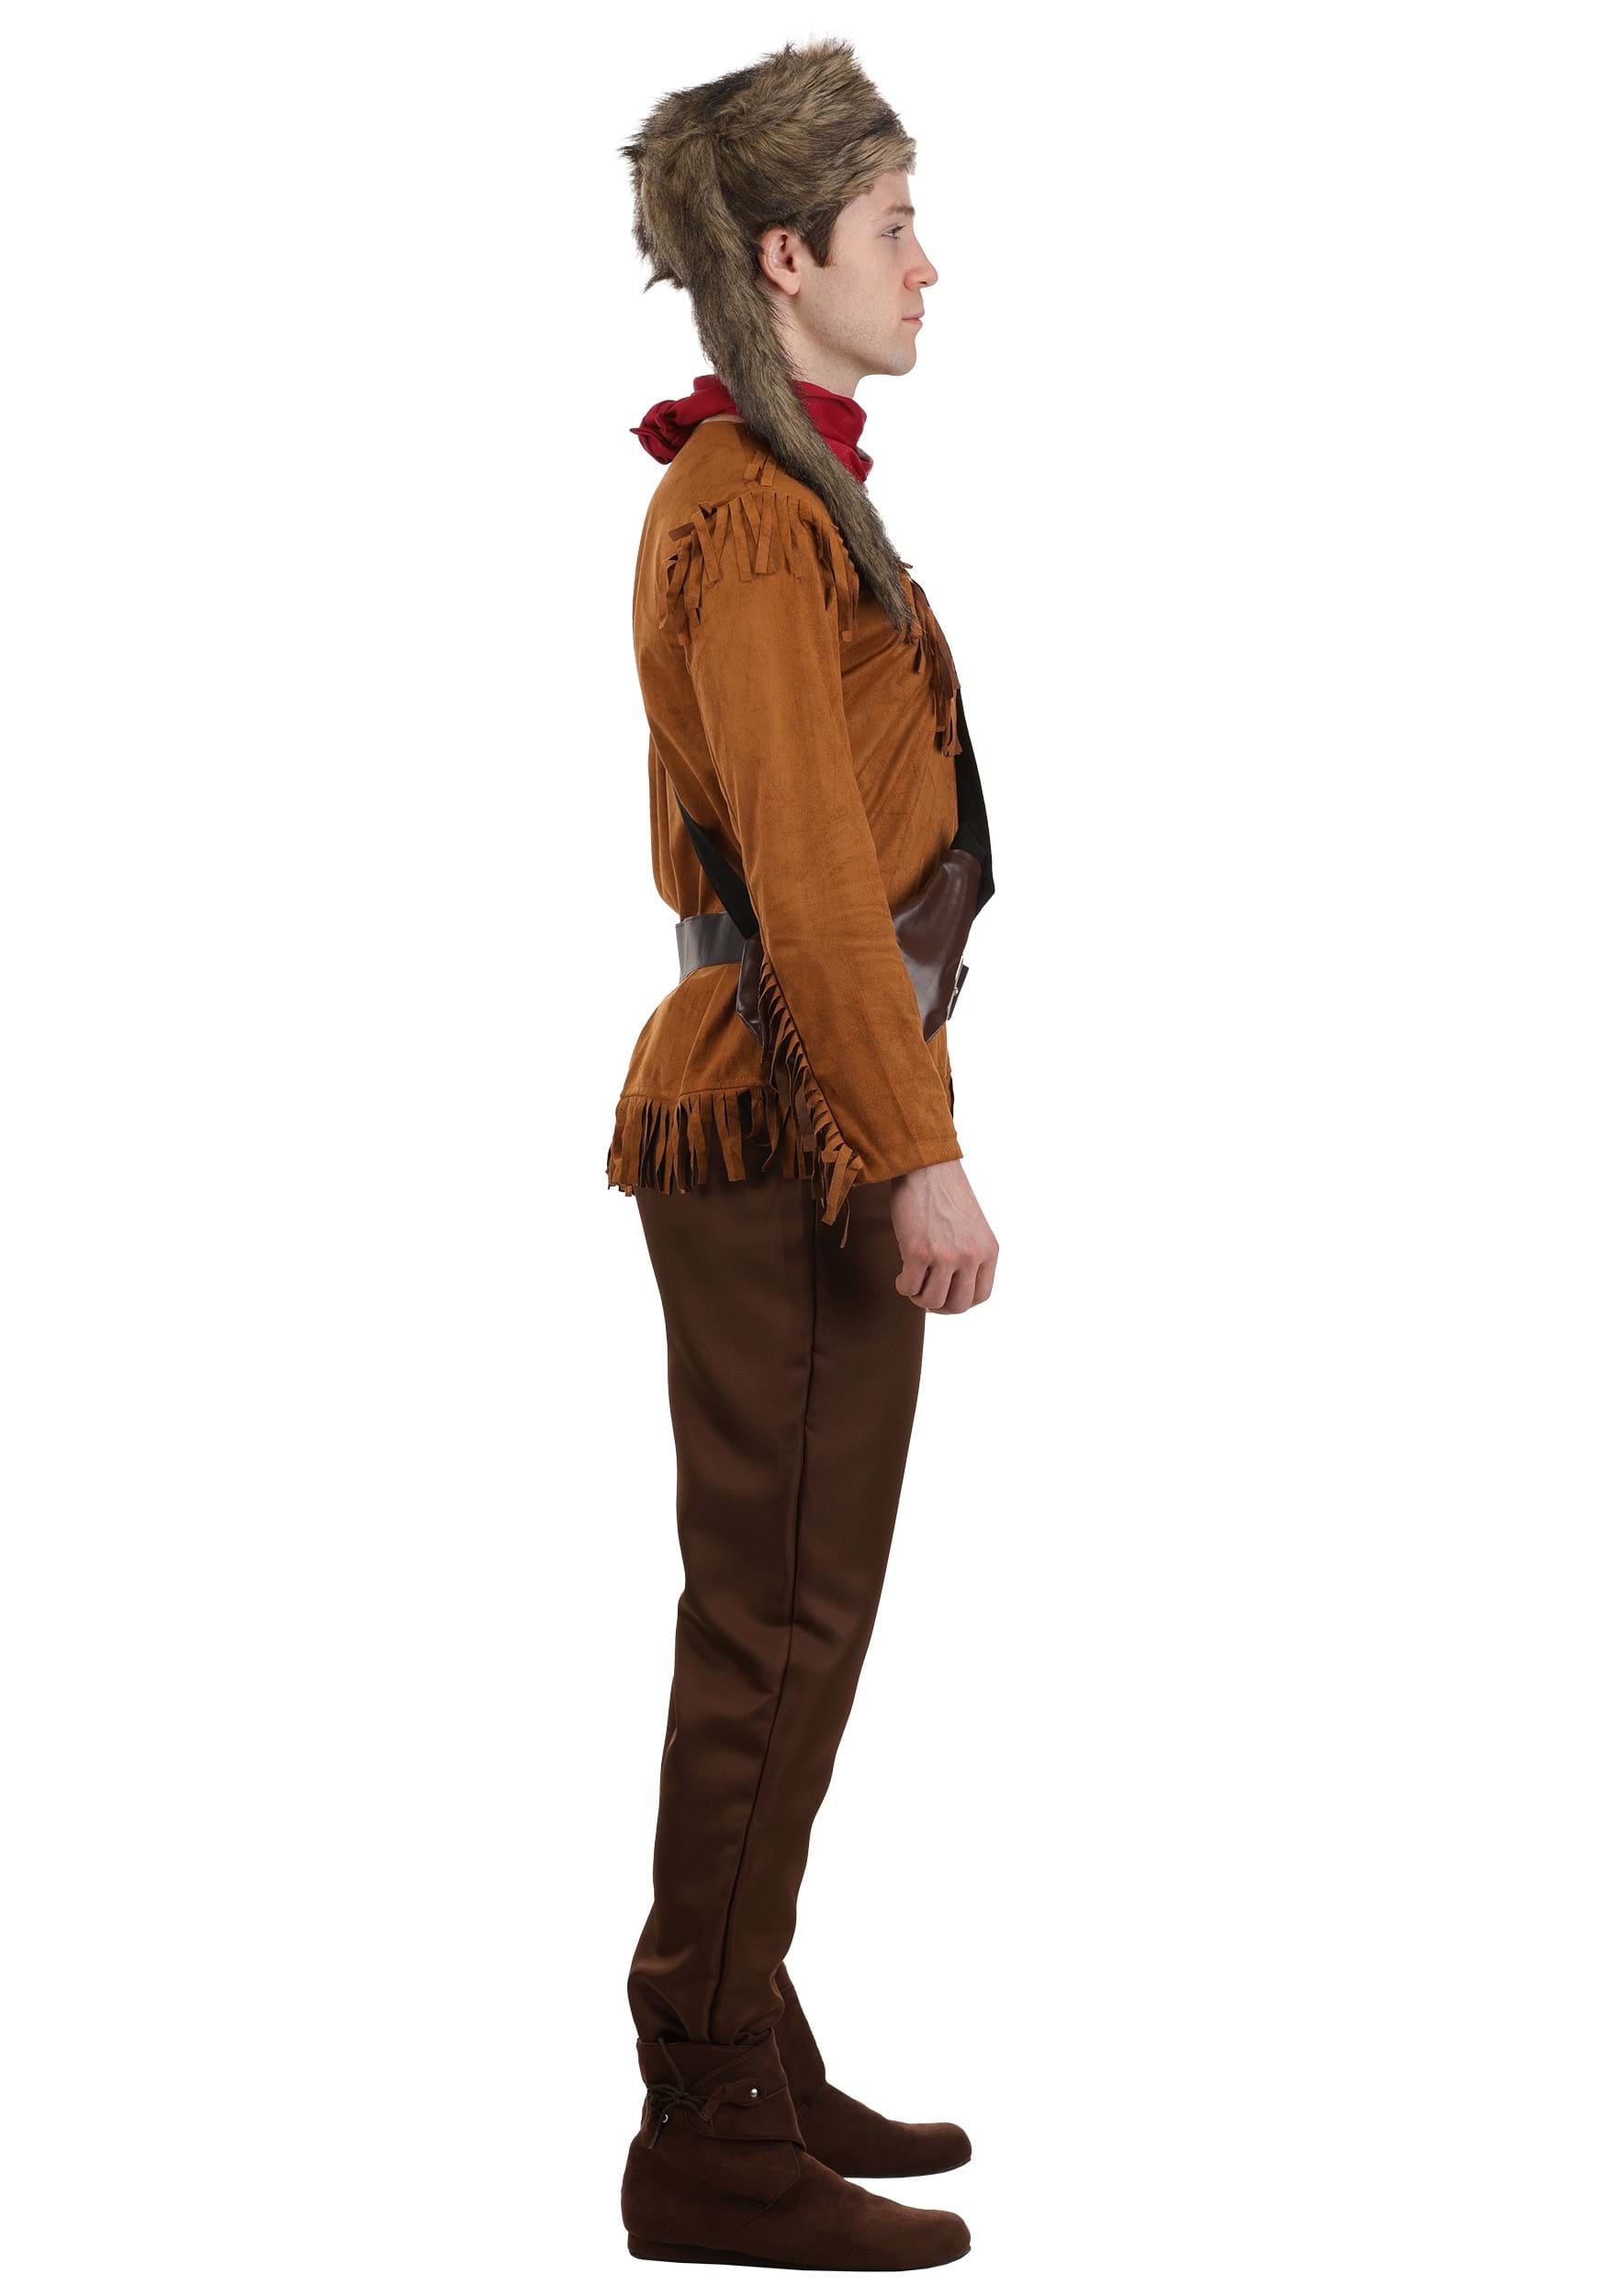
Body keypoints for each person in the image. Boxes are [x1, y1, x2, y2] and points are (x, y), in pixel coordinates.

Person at [607, 38, 999, 2271]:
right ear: (783, 258)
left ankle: (745, 2024)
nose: (926, 267)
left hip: (805, 1106)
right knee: (778, 1620)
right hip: (790, 1128)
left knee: (793, 1610)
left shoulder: (783, 490)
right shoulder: (749, 514)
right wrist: (912, 1149)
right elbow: (818, 883)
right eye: (891, 227)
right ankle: (700, 2114)